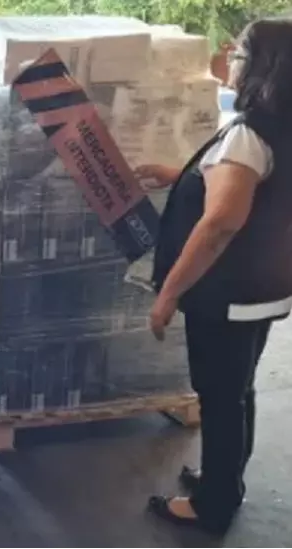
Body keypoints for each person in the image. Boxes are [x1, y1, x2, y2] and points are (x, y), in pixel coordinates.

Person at [135, 18, 292, 536]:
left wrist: (169, 293)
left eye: (241, 54)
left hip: (225, 291)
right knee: (238, 389)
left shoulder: (250, 133)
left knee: (220, 396)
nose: (232, 60)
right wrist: (181, 173)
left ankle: (212, 505)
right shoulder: (280, 126)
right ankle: (227, 479)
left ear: (263, 67)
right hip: (262, 288)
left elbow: (221, 222)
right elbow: (253, 184)